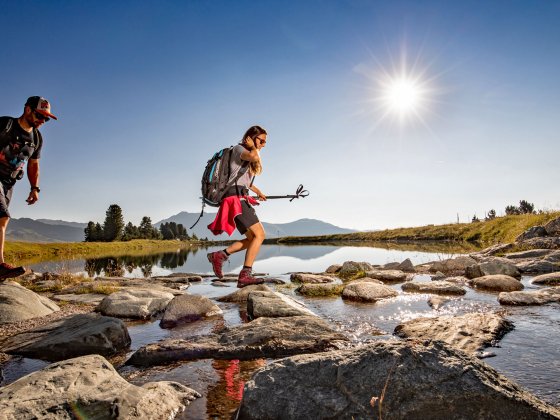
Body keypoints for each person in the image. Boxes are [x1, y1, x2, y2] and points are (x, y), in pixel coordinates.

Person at [0, 96, 57, 279]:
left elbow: (33, 165)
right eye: (40, 116)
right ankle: (0, 266)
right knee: (3, 217)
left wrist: (35, 188)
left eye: (46, 118)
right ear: (27, 110)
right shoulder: (5, 125)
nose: (43, 121)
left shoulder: (37, 139)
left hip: (8, 183)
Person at [207, 125, 268, 287]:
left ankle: (219, 255)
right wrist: (255, 148)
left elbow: (245, 182)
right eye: (261, 141)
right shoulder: (239, 149)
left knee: (252, 239)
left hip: (239, 197)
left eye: (265, 143)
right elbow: (254, 157)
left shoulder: (245, 155)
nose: (263, 145)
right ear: (251, 137)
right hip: (235, 199)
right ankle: (245, 275)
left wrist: (258, 191)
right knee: (260, 235)